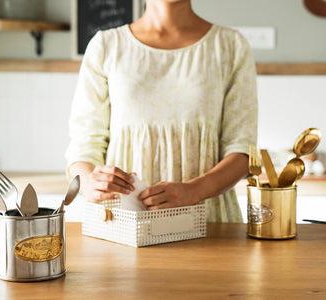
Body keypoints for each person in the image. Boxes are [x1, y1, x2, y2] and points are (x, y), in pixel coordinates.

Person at [65, 0, 257, 222]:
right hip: (122, 222)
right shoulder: (106, 46)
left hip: (207, 221)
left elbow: (243, 152)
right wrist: (89, 182)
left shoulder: (230, 46)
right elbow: (84, 144)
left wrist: (193, 191)